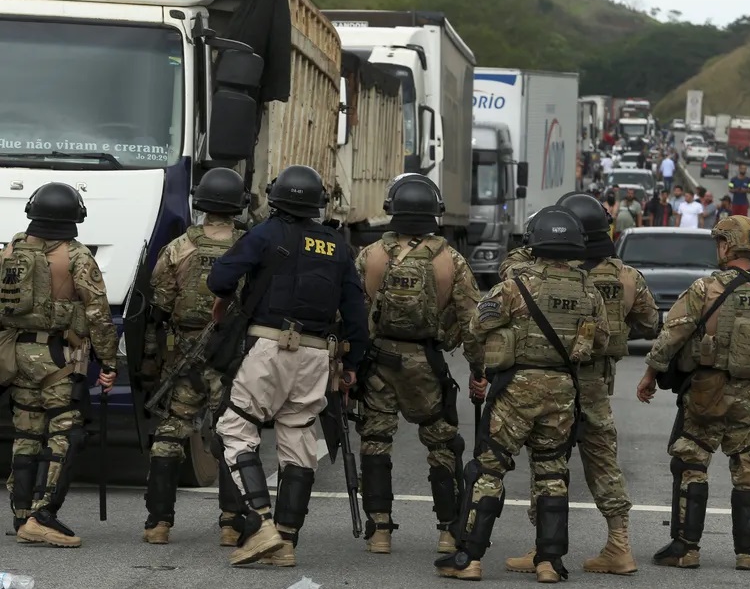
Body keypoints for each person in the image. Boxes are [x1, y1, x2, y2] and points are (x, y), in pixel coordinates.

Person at [207, 165, 369, 566]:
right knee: (297, 440)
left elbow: (220, 279)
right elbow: (355, 310)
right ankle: (287, 542)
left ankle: (261, 524)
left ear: (276, 197)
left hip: (268, 345)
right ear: (317, 204)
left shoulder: (265, 234)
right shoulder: (337, 244)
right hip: (318, 354)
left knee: (236, 426)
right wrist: (352, 363)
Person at [436, 206, 608, 583]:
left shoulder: (515, 285)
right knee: (552, 473)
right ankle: (549, 562)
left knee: (489, 468)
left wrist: (483, 367)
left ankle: (470, 557)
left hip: (515, 389)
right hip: (563, 391)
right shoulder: (589, 292)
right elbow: (601, 343)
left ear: (535, 242)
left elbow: (476, 325)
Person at [636, 216, 750, 571]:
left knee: (691, 464)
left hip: (705, 393)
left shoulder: (705, 289)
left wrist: (649, 376)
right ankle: (749, 553)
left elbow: (671, 337)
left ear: (726, 246)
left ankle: (685, 548)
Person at [502, 193, 659, 577]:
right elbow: (650, 322)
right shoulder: (625, 276)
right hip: (595, 385)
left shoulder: (541, 272)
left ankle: (544, 548)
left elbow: (508, 280)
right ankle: (619, 546)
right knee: (603, 462)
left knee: (547, 461)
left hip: (552, 379)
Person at [354, 174, 486, 556]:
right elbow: (472, 323)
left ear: (391, 209)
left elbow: (353, 311)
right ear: (435, 212)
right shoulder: (451, 260)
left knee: (376, 442)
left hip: (379, 361)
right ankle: (447, 530)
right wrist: (479, 373)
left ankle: (379, 531)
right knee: (442, 443)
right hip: (427, 363)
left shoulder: (371, 255)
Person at [140, 168, 249, 547]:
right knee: (234, 438)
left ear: (200, 203)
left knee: (169, 435)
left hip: (184, 356)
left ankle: (158, 523)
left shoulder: (178, 247)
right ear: (238, 204)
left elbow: (160, 305)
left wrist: (152, 363)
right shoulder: (249, 247)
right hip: (230, 356)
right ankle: (231, 524)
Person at [4, 182, 118, 547]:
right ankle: (43, 514)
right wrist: (109, 361)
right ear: (76, 215)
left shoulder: (11, 250)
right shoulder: (78, 257)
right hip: (58, 358)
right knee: (65, 431)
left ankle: (22, 514)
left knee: (26, 432)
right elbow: (99, 315)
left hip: (16, 353)